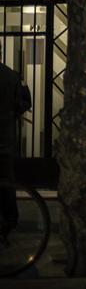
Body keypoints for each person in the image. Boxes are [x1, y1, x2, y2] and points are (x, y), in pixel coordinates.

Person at [0, 42, 31, 240]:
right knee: (6, 181)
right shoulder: (12, 76)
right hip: (4, 138)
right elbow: (25, 102)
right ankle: (10, 219)